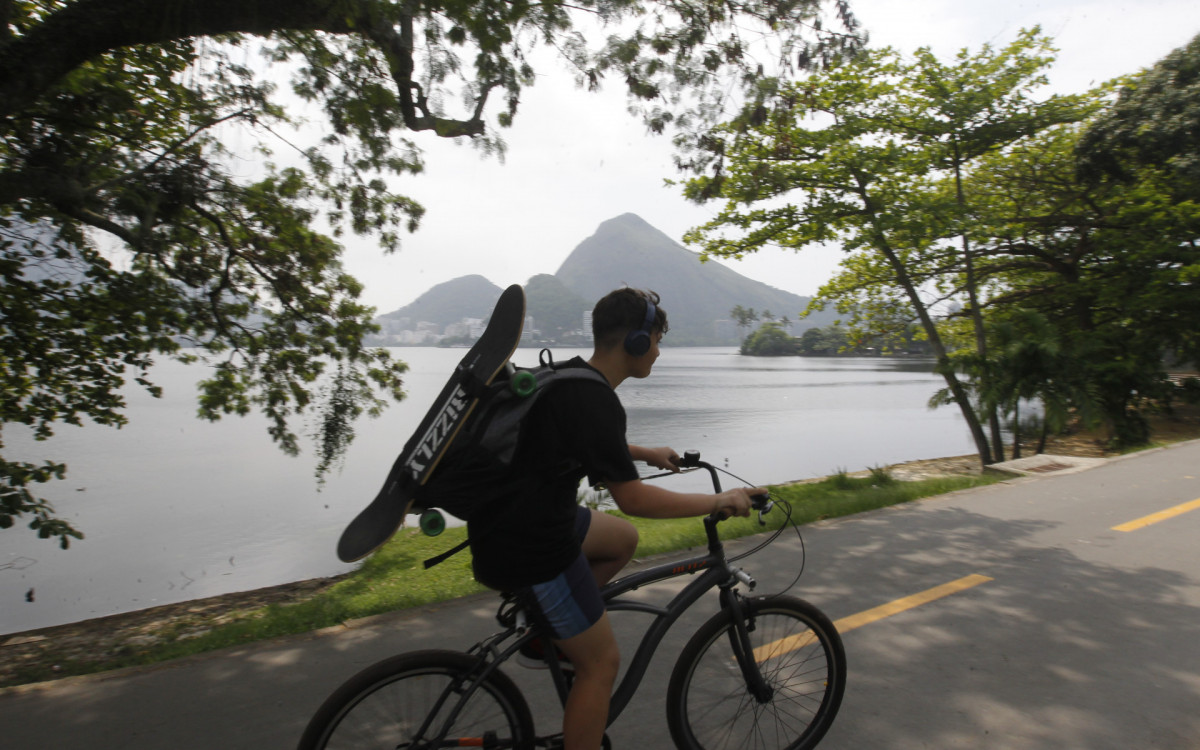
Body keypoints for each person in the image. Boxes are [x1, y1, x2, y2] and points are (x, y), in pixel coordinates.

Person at [466, 287, 764, 750]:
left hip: (509, 525)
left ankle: (548, 637)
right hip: (535, 548)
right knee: (601, 664)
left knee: (621, 539)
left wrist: (645, 452)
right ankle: (569, 645)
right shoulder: (597, 399)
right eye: (658, 340)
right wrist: (718, 501)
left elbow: (585, 441)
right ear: (636, 341)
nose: (660, 352)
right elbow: (635, 500)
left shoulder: (571, 377)